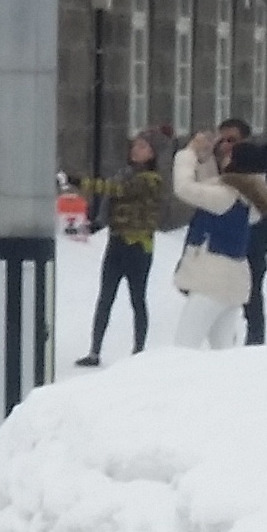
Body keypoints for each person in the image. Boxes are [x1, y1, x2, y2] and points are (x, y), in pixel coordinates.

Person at [165, 129, 267, 349]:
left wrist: (189, 153)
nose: (224, 157)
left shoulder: (226, 197)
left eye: (229, 156)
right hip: (232, 281)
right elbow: (212, 186)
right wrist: (205, 158)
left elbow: (185, 188)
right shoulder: (249, 195)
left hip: (211, 282)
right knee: (223, 350)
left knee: (184, 346)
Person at [76, 130, 166, 366]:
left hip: (139, 245)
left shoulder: (151, 180)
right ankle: (94, 351)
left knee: (138, 299)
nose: (136, 150)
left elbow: (116, 190)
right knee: (105, 298)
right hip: (116, 242)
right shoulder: (123, 174)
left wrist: (79, 182)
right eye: (135, 145)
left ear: (152, 153)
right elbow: (111, 198)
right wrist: (98, 223)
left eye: (143, 146)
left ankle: (139, 351)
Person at [214, 117, 267, 342]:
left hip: (252, 241)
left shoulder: (260, 165)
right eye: (222, 140)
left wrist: (257, 240)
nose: (226, 145)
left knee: (251, 294)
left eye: (232, 140)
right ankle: (225, 342)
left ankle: (255, 343)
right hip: (222, 242)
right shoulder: (215, 164)